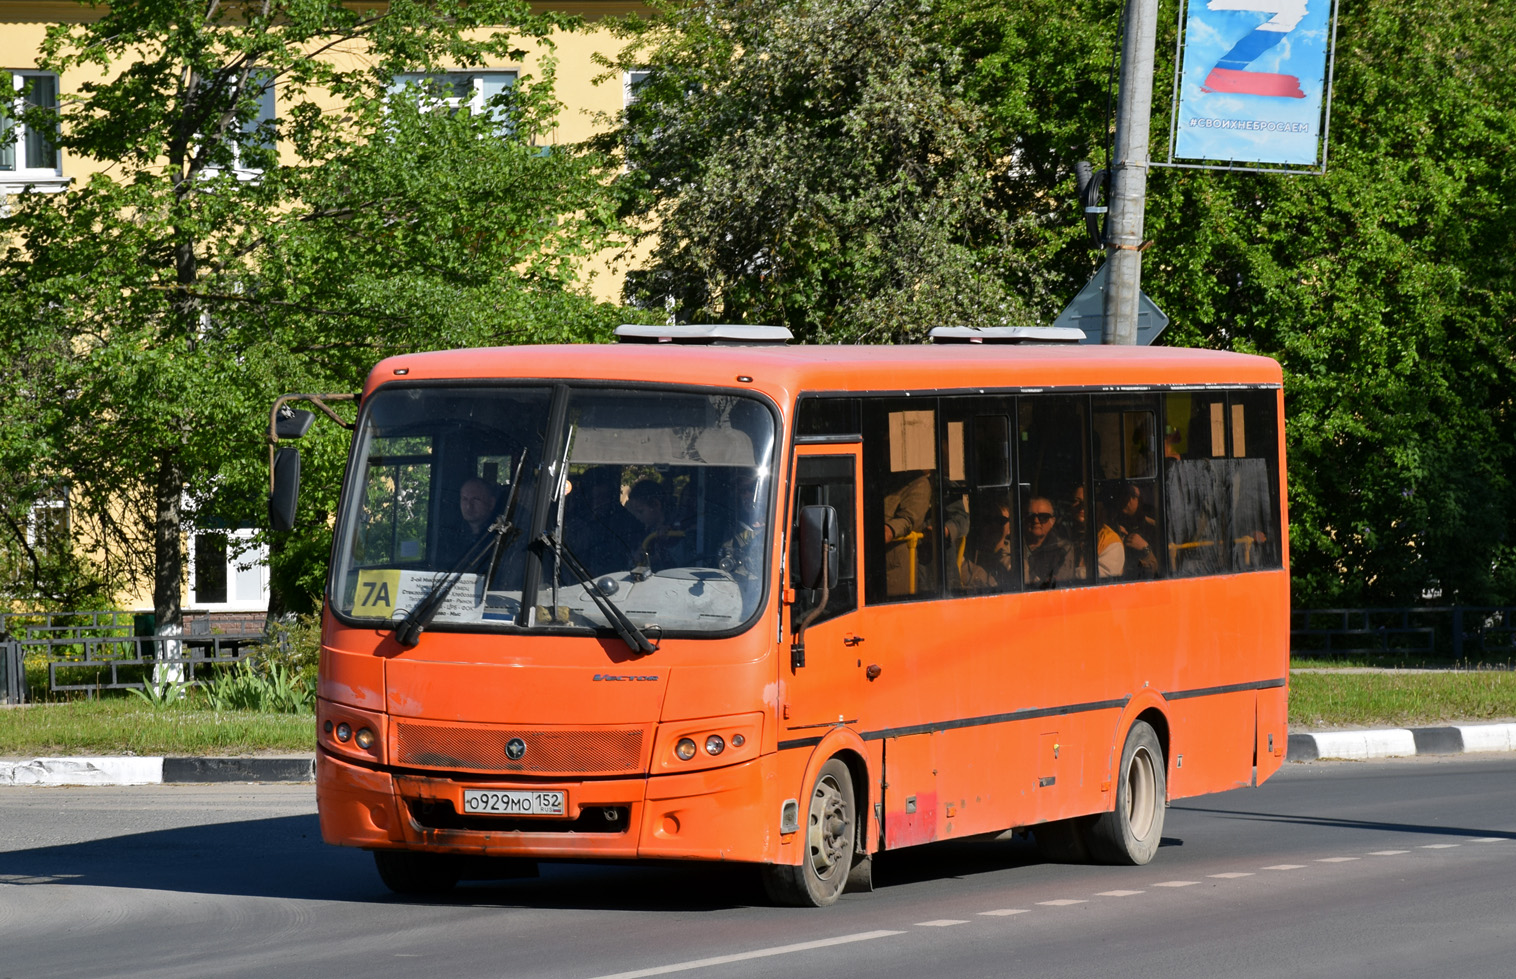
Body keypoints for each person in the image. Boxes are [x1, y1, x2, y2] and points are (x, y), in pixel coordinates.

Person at [564, 466, 643, 575]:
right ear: (586, 497)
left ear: (612, 496)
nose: (599, 503)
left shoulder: (628, 523)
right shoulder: (573, 522)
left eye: (604, 497)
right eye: (594, 498)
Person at [882, 471, 933, 597]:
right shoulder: (886, 479)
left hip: (893, 565)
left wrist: (890, 530)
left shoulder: (920, 483)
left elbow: (909, 519)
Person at [626, 478, 688, 571]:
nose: (637, 516)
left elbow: (682, 560)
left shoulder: (678, 527)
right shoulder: (645, 530)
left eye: (640, 511)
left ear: (656, 505)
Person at [1068, 484, 1124, 579]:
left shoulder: (1111, 541)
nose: (1081, 506)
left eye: (1087, 502)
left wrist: (1066, 574)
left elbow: (1101, 577)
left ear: (1099, 508)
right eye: (1076, 501)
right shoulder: (1064, 533)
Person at [1022, 495, 1075, 589]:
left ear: (1052, 521)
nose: (1036, 520)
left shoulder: (1064, 549)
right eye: (1031, 516)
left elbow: (1058, 586)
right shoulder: (1014, 547)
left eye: (1043, 517)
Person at [1113, 482, 1159, 578]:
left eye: (1131, 496)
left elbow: (1160, 570)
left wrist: (1145, 547)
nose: (1127, 500)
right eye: (1123, 495)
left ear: (1138, 499)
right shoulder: (1113, 523)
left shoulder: (1152, 525)